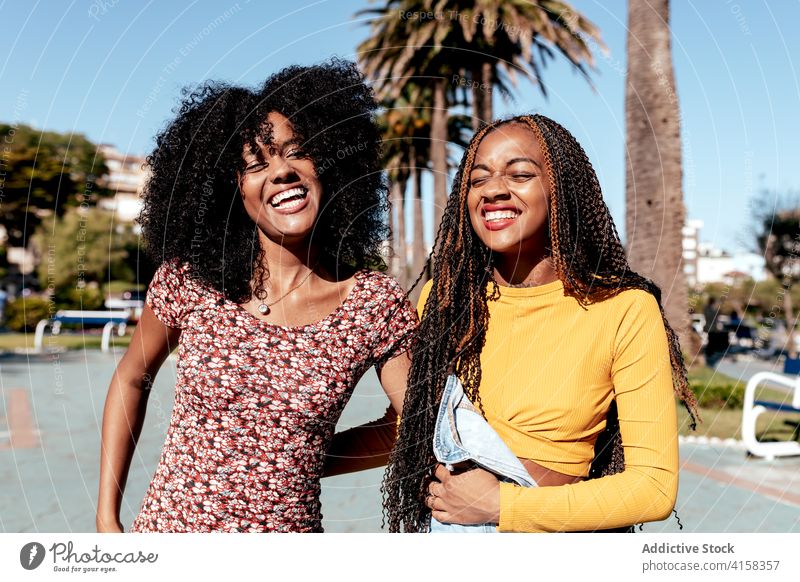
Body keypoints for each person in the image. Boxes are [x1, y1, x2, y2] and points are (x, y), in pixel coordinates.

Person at [96, 60, 417, 533]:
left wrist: (303, 460)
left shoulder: (372, 303)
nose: (282, 171)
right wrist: (107, 519)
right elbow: (130, 379)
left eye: (297, 152)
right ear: (236, 190)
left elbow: (411, 424)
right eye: (256, 164)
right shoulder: (191, 281)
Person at [384, 114, 699, 533]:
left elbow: (653, 487)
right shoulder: (446, 301)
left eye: (519, 174)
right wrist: (304, 452)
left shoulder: (623, 308)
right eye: (477, 180)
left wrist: (502, 505)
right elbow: (414, 424)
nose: (494, 189)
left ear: (560, 190)